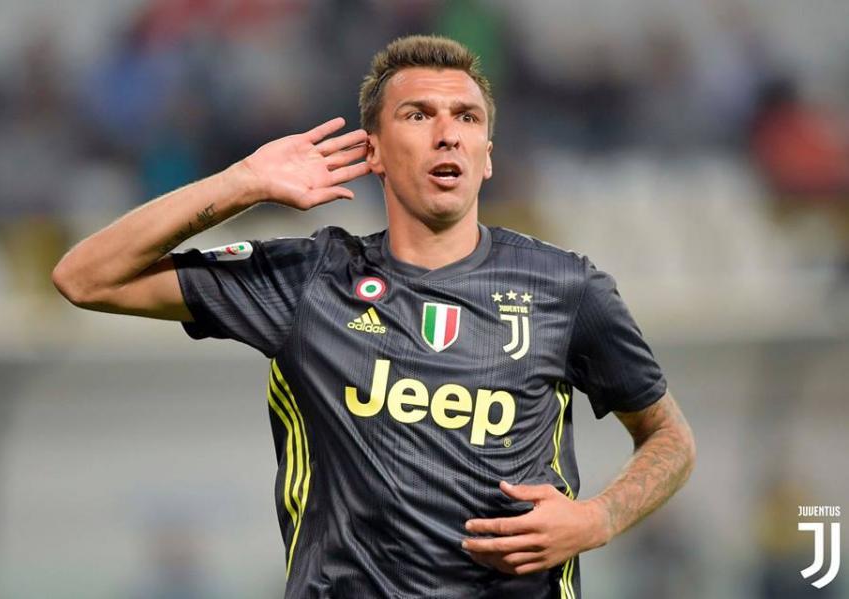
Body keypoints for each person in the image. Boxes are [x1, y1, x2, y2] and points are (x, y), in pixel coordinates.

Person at [52, 35, 696, 599]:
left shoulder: (566, 287)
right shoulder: (310, 280)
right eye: (418, 115)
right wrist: (241, 182)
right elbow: (85, 277)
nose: (447, 133)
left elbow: (670, 439)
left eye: (466, 117)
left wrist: (596, 519)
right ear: (375, 151)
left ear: (487, 155)